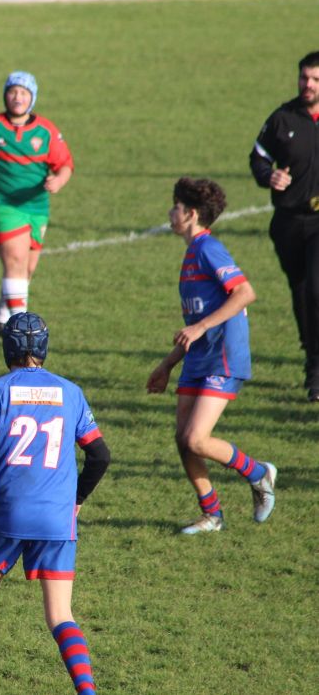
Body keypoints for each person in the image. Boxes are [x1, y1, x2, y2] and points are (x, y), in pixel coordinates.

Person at [0, 312, 110, 695]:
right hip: (56, 521)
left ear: (7, 348)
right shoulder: (71, 392)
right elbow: (99, 456)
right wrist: (75, 500)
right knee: (60, 614)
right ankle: (88, 691)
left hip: (9, 516)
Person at [146, 178, 277, 534]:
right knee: (182, 440)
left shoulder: (208, 249)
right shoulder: (191, 255)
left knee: (196, 439)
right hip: (197, 358)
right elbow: (194, 324)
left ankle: (259, 472)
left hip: (222, 356)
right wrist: (167, 364)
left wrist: (202, 328)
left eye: (175, 206)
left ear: (189, 214)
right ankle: (212, 514)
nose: (170, 212)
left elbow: (245, 293)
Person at [0, 72, 74, 334]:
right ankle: (22, 332)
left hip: (36, 207)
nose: (17, 97)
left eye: (23, 93)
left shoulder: (46, 131)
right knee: (16, 260)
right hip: (1, 204)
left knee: (26, 270)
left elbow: (65, 164)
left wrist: (59, 181)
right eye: (12, 91)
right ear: (5, 95)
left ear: (32, 98)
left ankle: (0, 316)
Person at [249, 50, 319, 400]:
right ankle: (312, 354)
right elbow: (258, 156)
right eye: (304, 77)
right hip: (290, 222)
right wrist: (269, 175)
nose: (308, 84)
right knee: (301, 292)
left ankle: (316, 371)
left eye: (315, 79)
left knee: (316, 289)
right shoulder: (283, 118)